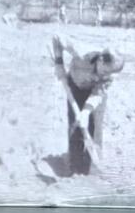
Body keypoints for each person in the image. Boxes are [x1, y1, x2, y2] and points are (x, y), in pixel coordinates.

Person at [50, 36, 124, 175]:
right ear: (100, 60)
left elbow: (98, 94)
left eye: (110, 74)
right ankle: (75, 167)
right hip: (75, 85)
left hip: (94, 91)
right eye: (105, 71)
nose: (106, 76)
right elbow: (57, 38)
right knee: (75, 125)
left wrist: (85, 112)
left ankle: (93, 169)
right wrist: (59, 64)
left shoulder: (109, 75)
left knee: (95, 127)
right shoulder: (81, 51)